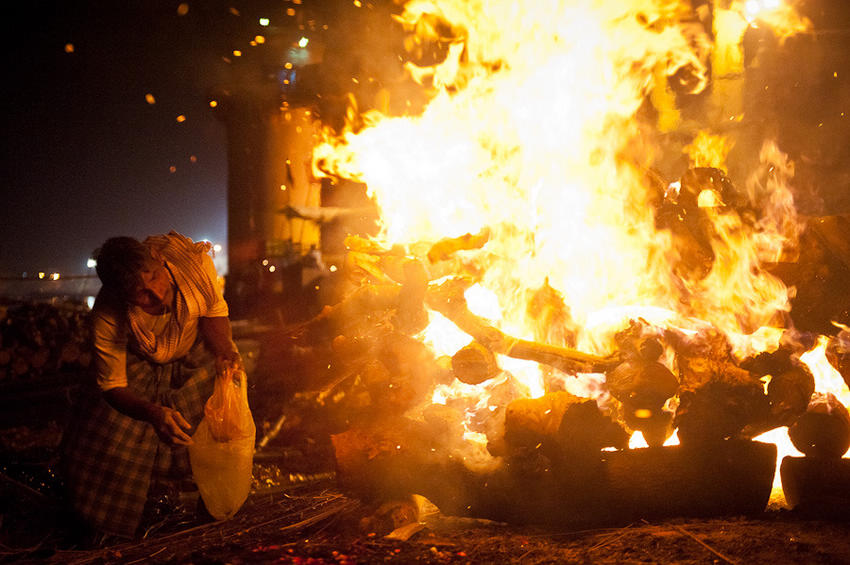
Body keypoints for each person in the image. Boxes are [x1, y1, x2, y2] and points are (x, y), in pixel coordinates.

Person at [62, 231, 242, 540]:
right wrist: (150, 412)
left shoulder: (195, 266)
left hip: (190, 355)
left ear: (158, 261)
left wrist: (225, 350)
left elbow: (212, 312)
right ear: (119, 294)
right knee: (108, 443)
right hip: (137, 365)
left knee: (206, 429)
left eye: (156, 279)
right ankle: (108, 529)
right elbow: (113, 385)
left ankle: (201, 512)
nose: (157, 296)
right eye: (141, 294)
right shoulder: (108, 316)